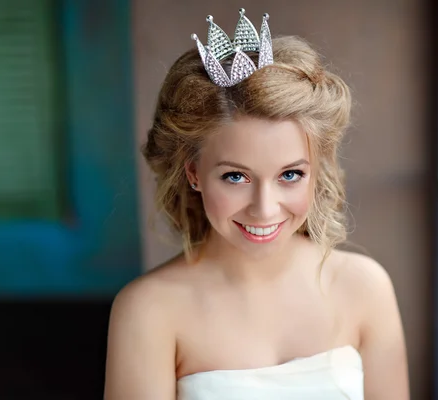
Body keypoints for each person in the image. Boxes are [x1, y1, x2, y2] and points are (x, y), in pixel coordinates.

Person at [104, 9, 409, 400]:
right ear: (193, 172)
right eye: (235, 177)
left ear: (316, 170)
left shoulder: (365, 287)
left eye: (290, 175)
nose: (265, 209)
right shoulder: (147, 312)